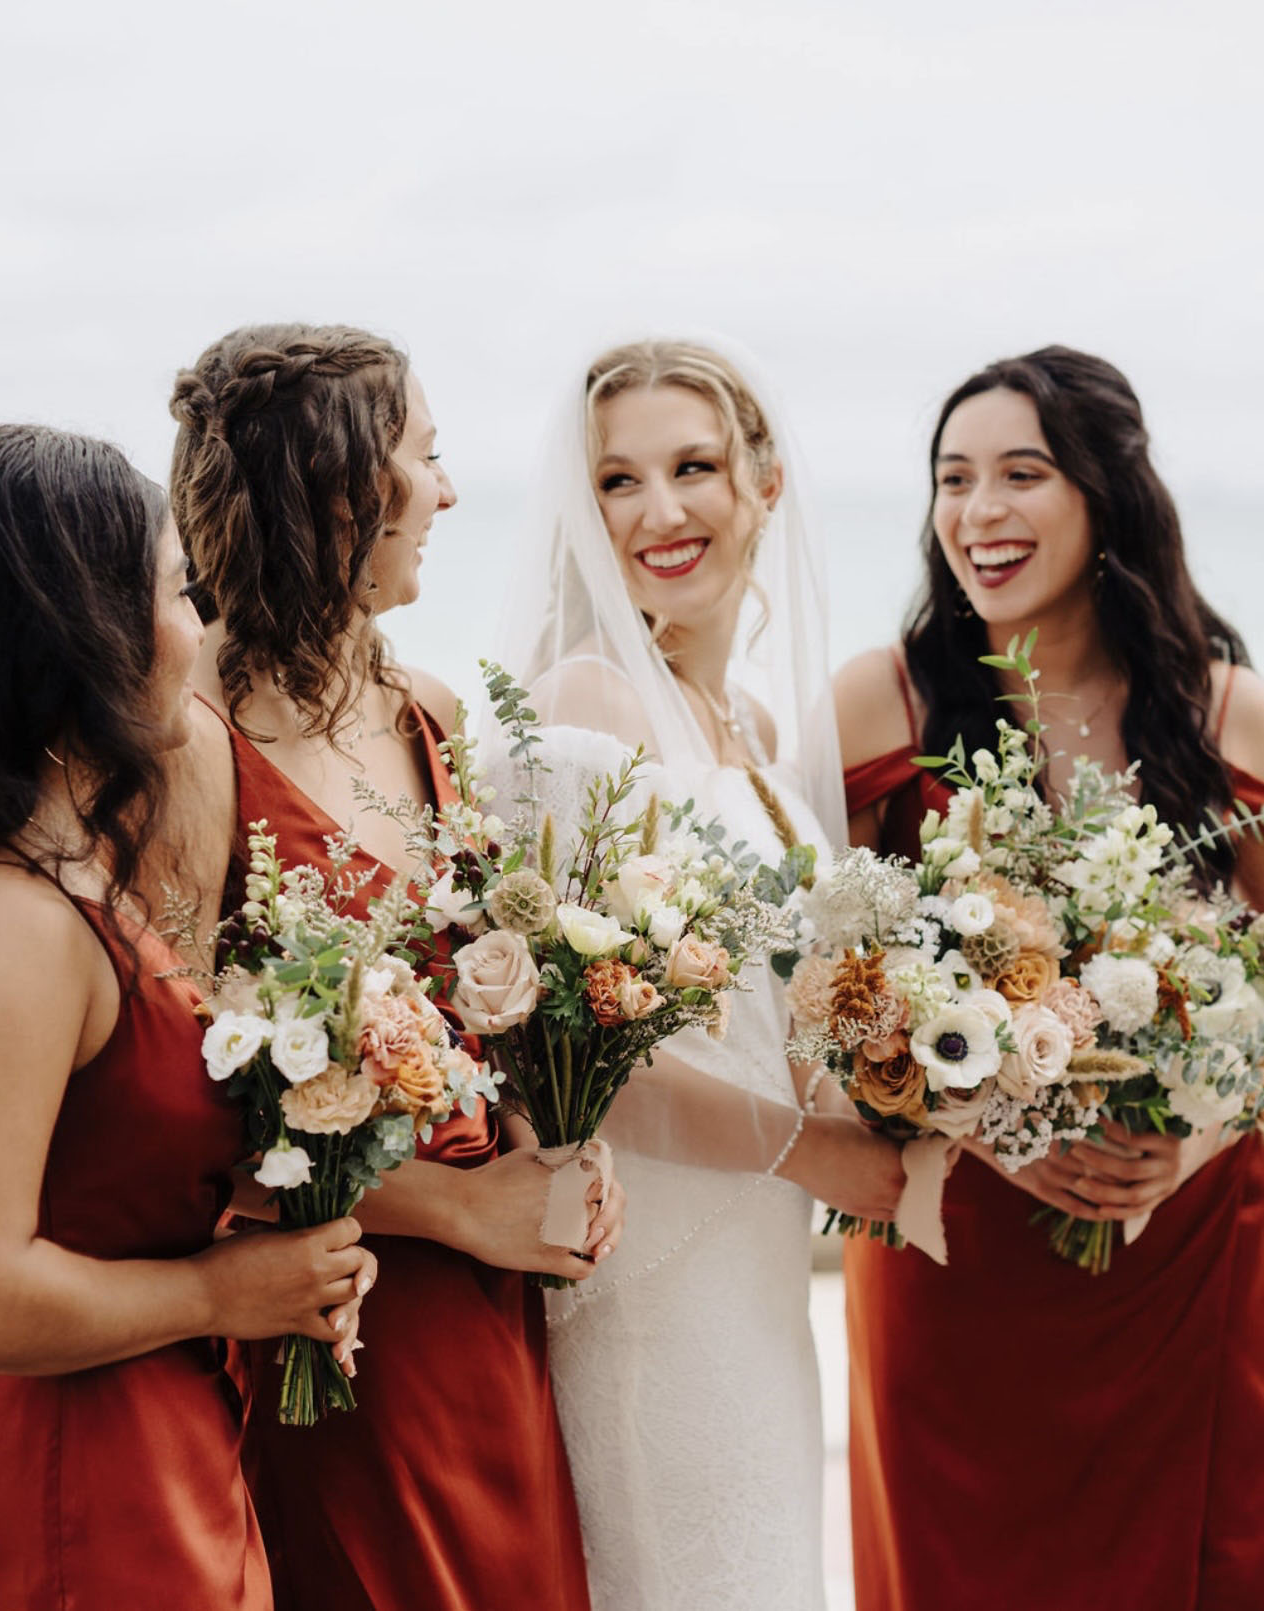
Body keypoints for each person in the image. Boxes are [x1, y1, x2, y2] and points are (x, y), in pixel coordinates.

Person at [168, 323, 616, 1611]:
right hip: (335, 1305)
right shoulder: (192, 739)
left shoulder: (432, 709)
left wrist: (559, 1144)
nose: (451, 491)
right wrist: (457, 1208)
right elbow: (181, 1103)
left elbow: (488, 982)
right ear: (342, 487)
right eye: (427, 457)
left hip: (493, 1308)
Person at [835, 345, 1264, 1611]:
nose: (977, 512)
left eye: (1020, 473)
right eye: (950, 478)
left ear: (1104, 492)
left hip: (1191, 1238)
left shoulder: (1225, 713)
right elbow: (813, 988)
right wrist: (989, 1127)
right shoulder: (883, 703)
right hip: (954, 1247)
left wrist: (1190, 1145)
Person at [493, 337, 906, 1610]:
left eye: (692, 467)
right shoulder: (583, 706)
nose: (659, 513)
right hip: (648, 1267)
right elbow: (567, 1063)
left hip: (753, 1268)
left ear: (763, 482)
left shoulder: (766, 741)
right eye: (617, 482)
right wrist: (814, 1149)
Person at [0, 423, 375, 1611]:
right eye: (174, 592)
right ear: (81, 629)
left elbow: (100, 1172)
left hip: (163, 1455)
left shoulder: (83, 877)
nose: (198, 631)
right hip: (74, 1489)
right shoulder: (18, 923)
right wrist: (218, 1294)